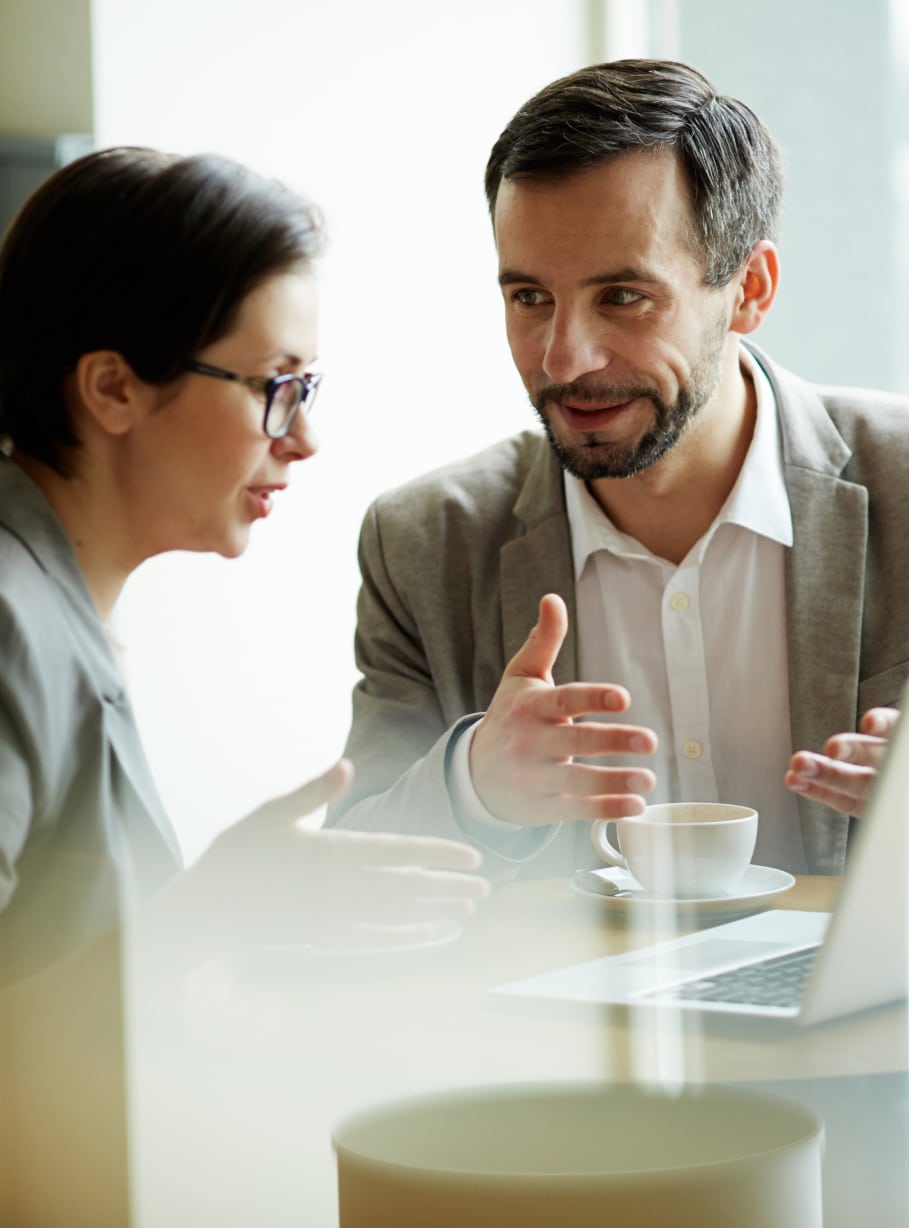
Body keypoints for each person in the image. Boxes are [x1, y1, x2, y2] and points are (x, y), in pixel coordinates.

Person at [327, 59, 909, 880]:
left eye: (623, 297)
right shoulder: (423, 543)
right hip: (571, 1014)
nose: (564, 358)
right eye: (529, 298)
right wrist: (473, 786)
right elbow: (348, 874)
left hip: (882, 1009)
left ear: (750, 290)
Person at [0, 147, 489, 986]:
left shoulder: (60, 607)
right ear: (113, 388)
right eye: (275, 384)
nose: (302, 439)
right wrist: (208, 913)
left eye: (307, 389)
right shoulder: (12, 623)